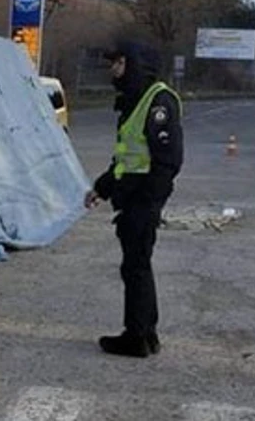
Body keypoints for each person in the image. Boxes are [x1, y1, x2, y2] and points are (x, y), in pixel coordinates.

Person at [84, 45, 183, 358]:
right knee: (136, 266)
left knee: (136, 267)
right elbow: (126, 158)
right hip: (133, 196)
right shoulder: (135, 100)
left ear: (134, 64)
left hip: (143, 198)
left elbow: (168, 161)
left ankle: (137, 337)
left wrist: (148, 203)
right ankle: (146, 334)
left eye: (118, 62)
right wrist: (103, 188)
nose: (113, 69)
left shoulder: (158, 101)